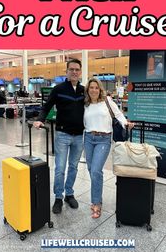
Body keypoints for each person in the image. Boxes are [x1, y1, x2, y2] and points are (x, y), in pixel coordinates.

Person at [33, 59, 85, 214]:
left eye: (77, 69)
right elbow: (47, 106)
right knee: (60, 168)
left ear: (80, 72)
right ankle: (58, 197)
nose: (74, 72)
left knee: (74, 167)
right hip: (62, 134)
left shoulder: (84, 90)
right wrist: (40, 120)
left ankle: (69, 194)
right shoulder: (58, 89)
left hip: (79, 136)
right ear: (67, 71)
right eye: (72, 69)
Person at [84, 77, 134, 219]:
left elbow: (118, 114)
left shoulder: (106, 101)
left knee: (95, 171)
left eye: (96, 87)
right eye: (91, 87)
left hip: (103, 139)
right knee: (92, 170)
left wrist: (126, 123)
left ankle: (96, 203)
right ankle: (97, 195)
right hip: (88, 138)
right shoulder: (85, 104)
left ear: (100, 89)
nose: (94, 90)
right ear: (88, 89)